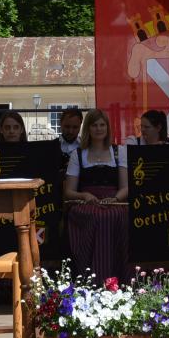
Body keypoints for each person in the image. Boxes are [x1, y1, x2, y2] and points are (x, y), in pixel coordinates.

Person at [65, 109, 129, 282]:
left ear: (107, 128)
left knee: (111, 215)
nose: (99, 129)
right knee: (97, 216)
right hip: (86, 202)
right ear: (88, 128)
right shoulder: (77, 154)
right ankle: (92, 277)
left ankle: (115, 277)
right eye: (94, 125)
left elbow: (126, 187)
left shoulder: (119, 152)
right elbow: (68, 192)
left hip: (115, 201)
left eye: (102, 125)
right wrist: (85, 195)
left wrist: (115, 199)